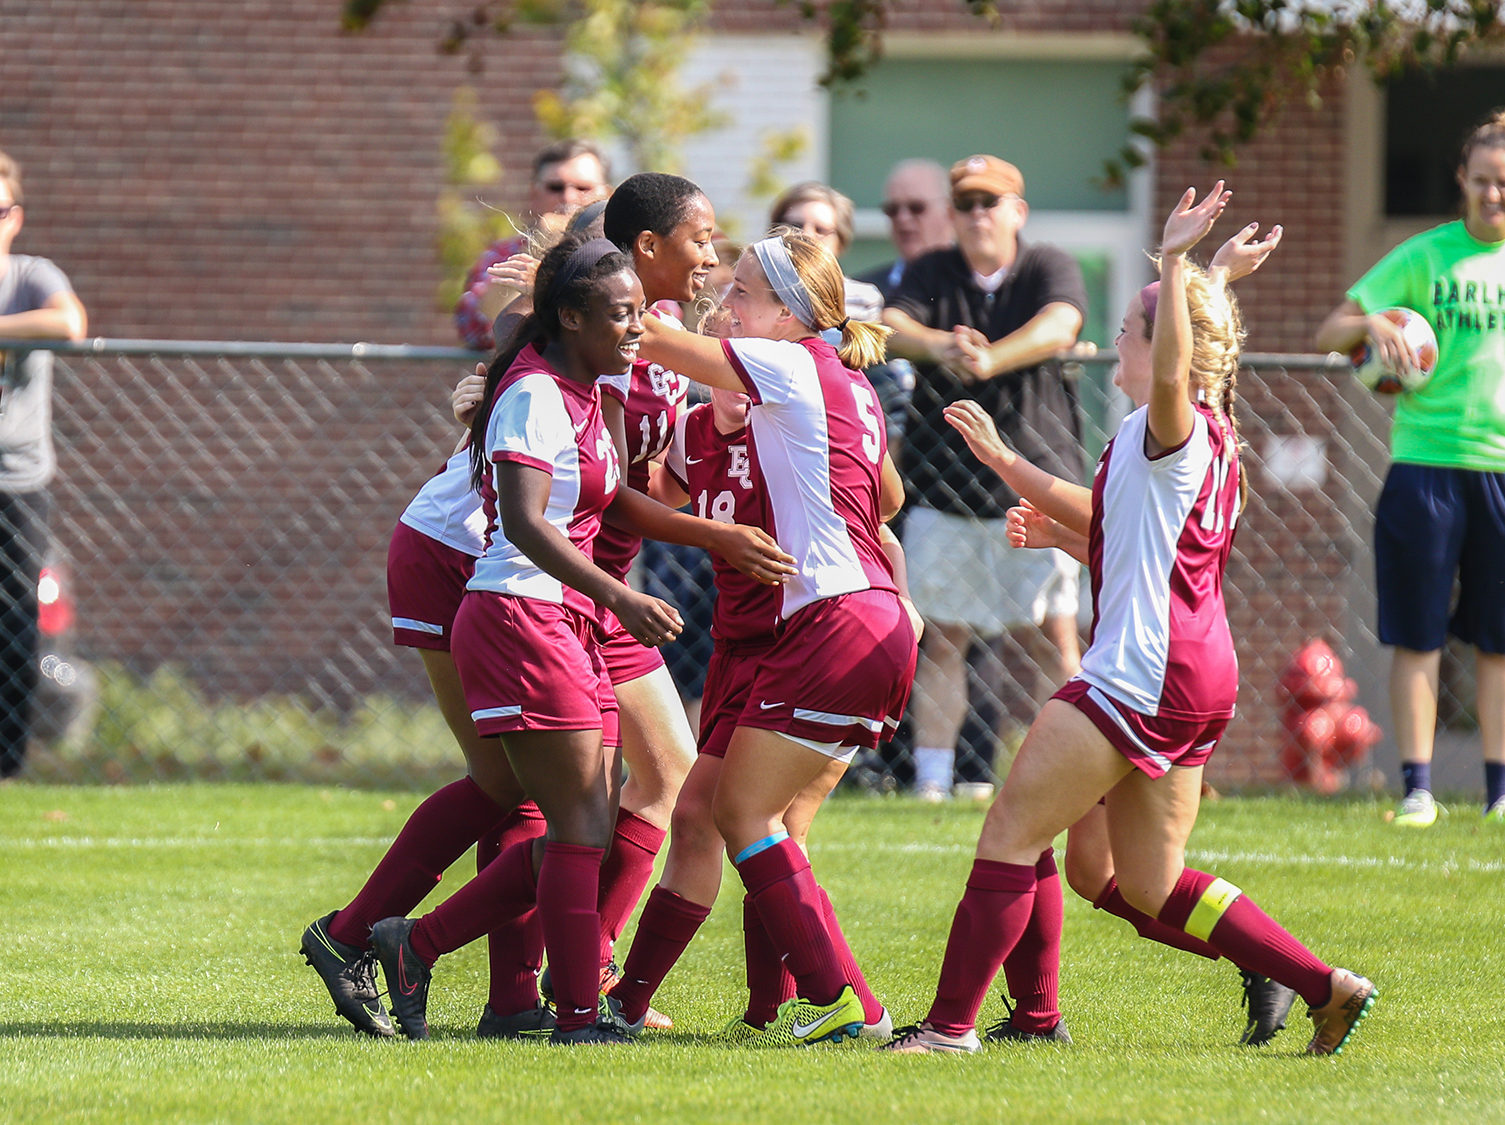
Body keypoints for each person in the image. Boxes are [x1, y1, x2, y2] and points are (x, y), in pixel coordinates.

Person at [882, 183, 1376, 1057]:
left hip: (1141, 670)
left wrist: (1182, 263)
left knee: (1010, 829)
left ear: (1164, 349)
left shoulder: (1167, 420)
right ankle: (1319, 983)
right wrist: (1212, 275)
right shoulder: (1202, 430)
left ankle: (949, 1030)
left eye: (1130, 325)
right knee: (1135, 880)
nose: (1115, 335)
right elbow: (1131, 535)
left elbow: (1177, 365)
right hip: (1191, 669)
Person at [369, 233, 791, 1045]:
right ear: (568, 316)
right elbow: (525, 522)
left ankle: (414, 947)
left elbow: (615, 501)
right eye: (619, 315)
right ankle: (566, 1013)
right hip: (521, 614)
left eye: (640, 313)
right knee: (574, 825)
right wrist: (616, 593)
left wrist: (709, 537)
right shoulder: (531, 392)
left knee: (585, 822)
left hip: (564, 615)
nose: (637, 330)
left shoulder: (582, 390)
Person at [628, 228, 917, 1046]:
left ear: (792, 315)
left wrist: (573, 269)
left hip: (835, 617)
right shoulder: (835, 377)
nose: (726, 304)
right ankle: (817, 1001)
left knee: (745, 812)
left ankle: (841, 998)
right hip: (854, 614)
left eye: (744, 291)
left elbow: (642, 332)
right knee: (721, 809)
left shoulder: (790, 365)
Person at [300, 367, 548, 1040]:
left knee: (530, 784)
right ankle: (350, 935)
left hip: (511, 565)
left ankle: (517, 998)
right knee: (511, 778)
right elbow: (512, 323)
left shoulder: (655, 343)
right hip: (458, 555)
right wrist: (489, 389)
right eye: (700, 249)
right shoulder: (591, 316)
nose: (708, 257)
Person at [1315, 109, 1505, 827]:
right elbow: (1331, 330)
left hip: (1501, 471)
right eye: (1482, 181)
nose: (1493, 196)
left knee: (1498, 642)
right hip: (1423, 464)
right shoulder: (1423, 257)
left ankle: (1497, 793)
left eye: (1504, 184)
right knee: (1418, 634)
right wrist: (1374, 325)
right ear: (1462, 179)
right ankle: (1418, 790)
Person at [882, 154, 1087, 801]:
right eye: (965, 203)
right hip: (943, 488)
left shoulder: (1045, 265)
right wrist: (942, 345)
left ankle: (1071, 776)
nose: (976, 215)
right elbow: (890, 324)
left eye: (989, 202)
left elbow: (1062, 324)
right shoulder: (931, 270)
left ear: (1016, 212)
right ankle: (934, 784)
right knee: (941, 638)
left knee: (1048, 637)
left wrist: (989, 359)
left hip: (1033, 487)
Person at [0, 150, 88, 780]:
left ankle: (7, 762)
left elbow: (70, 323)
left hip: (16, 478)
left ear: (15, 215)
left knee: (14, 620)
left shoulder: (31, 275)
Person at [454, 139, 612, 351]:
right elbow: (479, 328)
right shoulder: (503, 252)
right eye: (555, 187)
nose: (568, 197)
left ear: (608, 195)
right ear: (534, 194)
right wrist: (540, 245)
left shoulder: (625, 254)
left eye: (583, 188)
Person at [857, 158, 956, 302]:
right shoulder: (863, 293)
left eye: (916, 208)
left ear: (949, 213)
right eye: (893, 210)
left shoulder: (977, 287)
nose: (903, 218)